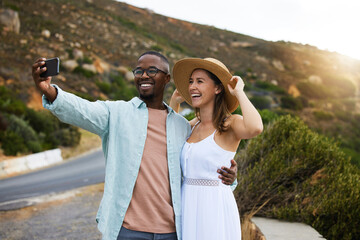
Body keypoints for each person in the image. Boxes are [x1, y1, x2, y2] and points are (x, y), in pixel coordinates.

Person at [31, 51, 238, 240]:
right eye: (139, 71)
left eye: (152, 71)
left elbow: (201, 164)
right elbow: (81, 110)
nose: (144, 75)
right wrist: (49, 90)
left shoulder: (181, 126)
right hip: (128, 231)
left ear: (166, 79)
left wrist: (230, 178)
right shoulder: (117, 113)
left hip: (172, 232)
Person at [170, 57, 263, 240]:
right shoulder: (193, 125)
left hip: (214, 208)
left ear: (217, 88)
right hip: (187, 203)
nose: (192, 87)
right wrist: (174, 101)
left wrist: (239, 93)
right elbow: (168, 136)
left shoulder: (230, 123)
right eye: (190, 82)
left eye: (200, 81)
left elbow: (255, 127)